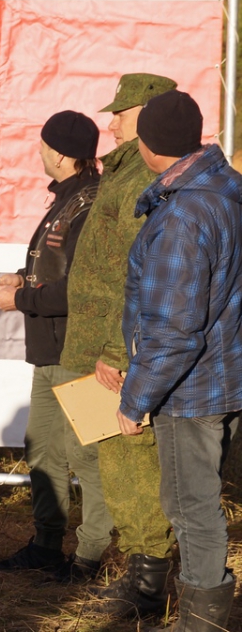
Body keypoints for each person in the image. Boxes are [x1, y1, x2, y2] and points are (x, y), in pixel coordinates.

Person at [119, 90, 242, 631]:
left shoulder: (184, 213)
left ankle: (202, 624)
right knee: (202, 504)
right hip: (228, 374)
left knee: (192, 510)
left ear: (148, 146)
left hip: (193, 390)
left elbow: (175, 327)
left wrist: (135, 396)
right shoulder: (226, 193)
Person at [58, 74, 180, 617]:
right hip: (96, 347)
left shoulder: (142, 177)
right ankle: (139, 567)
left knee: (133, 461)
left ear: (148, 115)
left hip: (115, 350)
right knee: (113, 460)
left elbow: (134, 272)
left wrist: (117, 349)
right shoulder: (124, 169)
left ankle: (150, 580)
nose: (110, 125)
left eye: (122, 116)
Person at [0, 111, 110, 582]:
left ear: (59, 152)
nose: (38, 152)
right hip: (49, 352)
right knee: (42, 448)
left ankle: (91, 555)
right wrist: (23, 278)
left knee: (88, 456)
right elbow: (56, 271)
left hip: (80, 350)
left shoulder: (91, 204)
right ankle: (45, 544)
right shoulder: (67, 200)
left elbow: (81, 288)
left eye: (41, 145)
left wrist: (20, 298)